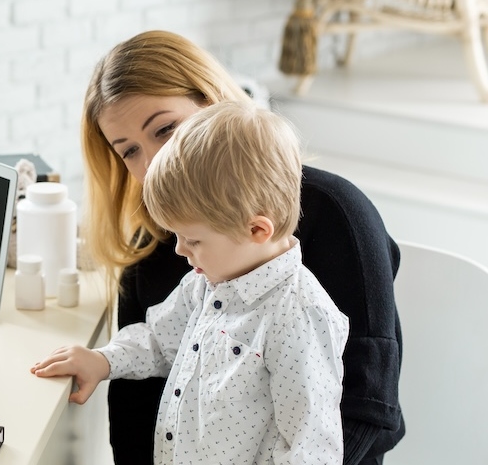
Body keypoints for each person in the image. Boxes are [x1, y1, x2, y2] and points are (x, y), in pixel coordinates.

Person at [67, 30, 403, 465]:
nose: (151, 164)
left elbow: (363, 411)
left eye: (165, 129)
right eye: (129, 150)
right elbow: (140, 386)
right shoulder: (161, 243)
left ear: (212, 101)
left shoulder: (337, 217)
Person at [33, 100, 351, 463]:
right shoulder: (205, 283)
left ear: (257, 229)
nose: (180, 250)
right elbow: (157, 339)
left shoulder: (299, 317)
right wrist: (103, 361)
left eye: (194, 240)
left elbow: (310, 448)